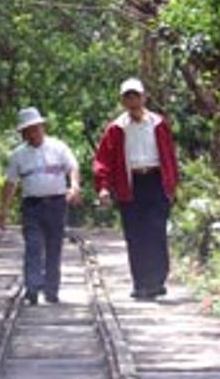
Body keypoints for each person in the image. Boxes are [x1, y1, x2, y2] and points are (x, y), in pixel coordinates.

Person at [93, 77, 179, 299]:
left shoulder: (158, 124)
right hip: (130, 185)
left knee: (156, 231)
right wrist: (103, 187)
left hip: (155, 181)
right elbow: (103, 160)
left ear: (144, 97)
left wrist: (172, 184)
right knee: (135, 235)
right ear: (122, 101)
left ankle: (157, 280)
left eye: (136, 96)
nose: (132, 101)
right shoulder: (116, 129)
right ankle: (140, 282)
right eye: (127, 97)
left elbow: (169, 155)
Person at [0, 107, 81, 305]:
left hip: (56, 204)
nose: (32, 134)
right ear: (22, 134)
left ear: (42, 127)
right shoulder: (18, 155)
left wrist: (75, 186)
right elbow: (10, 182)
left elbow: (72, 167)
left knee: (54, 247)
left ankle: (52, 290)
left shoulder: (58, 147)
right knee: (33, 246)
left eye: (35, 128)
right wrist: (3, 210)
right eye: (27, 131)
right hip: (32, 206)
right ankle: (32, 289)